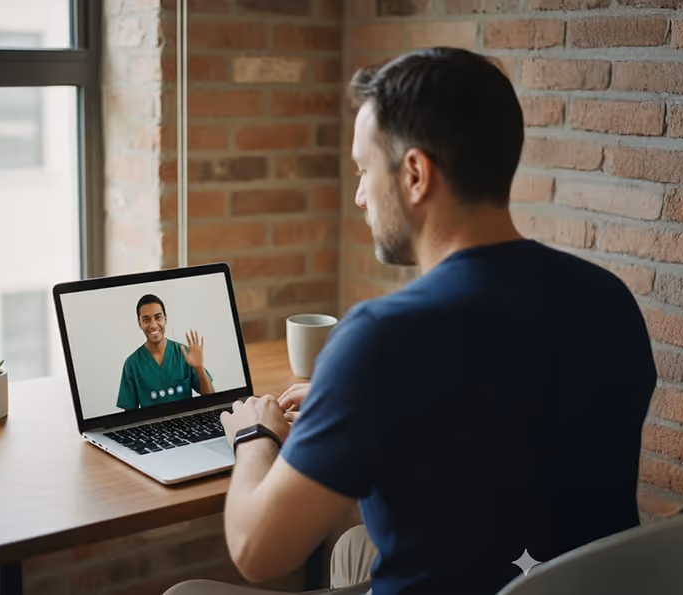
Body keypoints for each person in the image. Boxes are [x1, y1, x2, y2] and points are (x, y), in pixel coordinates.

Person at [166, 47, 657, 595]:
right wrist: (346, 408)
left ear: (416, 174)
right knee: (354, 547)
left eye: (363, 170)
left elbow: (258, 550)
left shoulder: (383, 339)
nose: (358, 196)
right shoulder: (608, 299)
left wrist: (254, 435)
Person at [116, 294, 215, 410]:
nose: (153, 325)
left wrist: (199, 367)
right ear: (139, 324)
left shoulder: (184, 354)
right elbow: (129, 415)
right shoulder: (132, 364)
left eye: (158, 317)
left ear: (165, 319)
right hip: (151, 426)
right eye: (146, 320)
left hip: (187, 424)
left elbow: (211, 399)